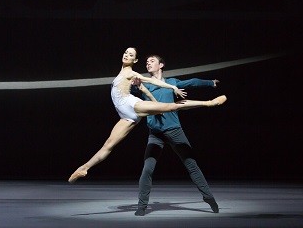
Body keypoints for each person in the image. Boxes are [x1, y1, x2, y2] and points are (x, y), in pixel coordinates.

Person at [68, 47, 226, 183]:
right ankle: (84, 168)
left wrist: (172, 87)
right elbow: (146, 91)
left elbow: (155, 82)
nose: (127, 55)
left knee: (171, 107)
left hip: (131, 105)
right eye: (125, 53)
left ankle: (208, 103)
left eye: (131, 55)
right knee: (109, 145)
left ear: (135, 60)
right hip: (125, 115)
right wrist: (144, 91)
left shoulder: (131, 72)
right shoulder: (123, 74)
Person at [133, 54, 222, 216]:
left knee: (192, 165)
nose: (148, 63)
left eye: (152, 61)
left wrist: (210, 83)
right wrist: (134, 85)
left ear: (161, 65)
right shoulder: (144, 85)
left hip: (174, 131)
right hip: (155, 134)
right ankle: (141, 206)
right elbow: (130, 91)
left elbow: (192, 82)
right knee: (147, 170)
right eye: (146, 62)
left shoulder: (171, 83)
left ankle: (209, 198)